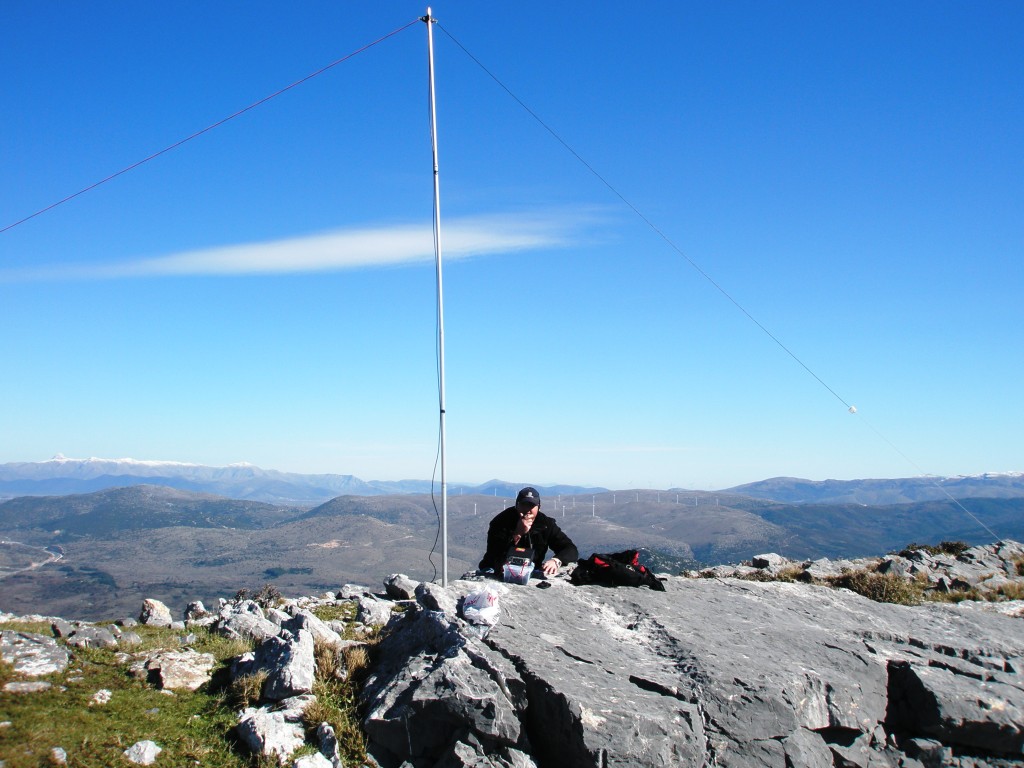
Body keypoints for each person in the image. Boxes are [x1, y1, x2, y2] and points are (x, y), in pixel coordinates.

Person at [479, 486, 578, 577]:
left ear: (539, 507)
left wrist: (556, 560)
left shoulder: (546, 524)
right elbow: (495, 553)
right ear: (516, 505)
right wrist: (518, 533)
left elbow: (570, 549)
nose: (527, 510)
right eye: (523, 504)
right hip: (496, 570)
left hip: (530, 571)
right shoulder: (500, 522)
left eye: (531, 506)